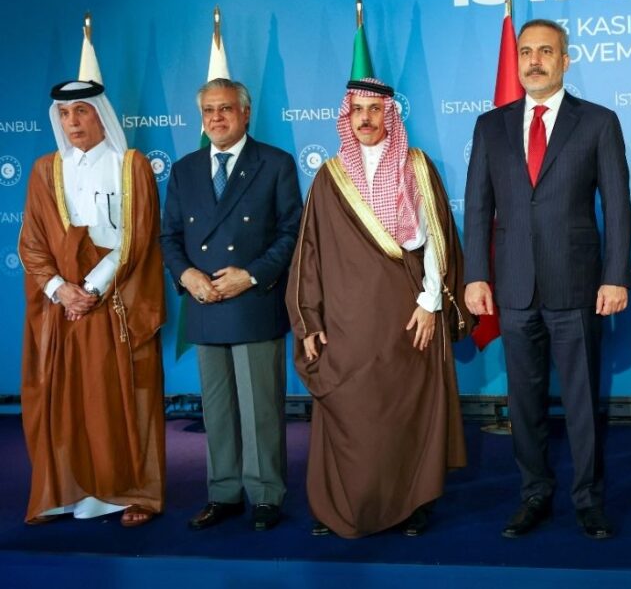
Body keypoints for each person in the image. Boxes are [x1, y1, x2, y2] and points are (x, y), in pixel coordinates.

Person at [464, 19, 631, 540]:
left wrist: (615, 276)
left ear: (565, 60)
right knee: (524, 401)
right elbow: (476, 207)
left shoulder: (599, 122)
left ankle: (588, 499)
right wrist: (476, 275)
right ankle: (534, 493)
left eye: (546, 52)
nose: (534, 60)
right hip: (512, 288)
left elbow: (619, 206)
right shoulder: (491, 126)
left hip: (577, 285)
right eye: (526, 52)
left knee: (581, 402)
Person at [287, 77, 470, 539]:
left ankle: (412, 503)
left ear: (389, 115)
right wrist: (308, 319)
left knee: (403, 411)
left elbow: (437, 239)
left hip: (406, 317)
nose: (365, 119)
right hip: (346, 323)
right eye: (357, 111)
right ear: (346, 118)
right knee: (351, 412)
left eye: (374, 110)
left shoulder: (416, 165)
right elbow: (309, 254)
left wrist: (430, 303)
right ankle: (341, 504)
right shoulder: (330, 177)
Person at [19, 80, 166, 527]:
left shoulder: (129, 165)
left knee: (119, 398)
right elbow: (31, 243)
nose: (73, 123)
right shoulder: (46, 169)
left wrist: (92, 288)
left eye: (81, 112)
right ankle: (65, 492)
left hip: (114, 299)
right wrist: (61, 290)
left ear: (101, 114)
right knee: (62, 399)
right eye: (64, 115)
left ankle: (128, 493)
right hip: (61, 307)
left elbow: (136, 236)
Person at [160, 78, 302, 532]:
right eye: (209, 111)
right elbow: (169, 236)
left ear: (245, 113)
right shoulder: (183, 170)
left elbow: (290, 233)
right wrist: (187, 276)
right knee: (217, 409)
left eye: (225, 109)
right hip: (204, 301)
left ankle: (265, 495)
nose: (217, 118)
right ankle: (223, 493)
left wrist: (252, 274)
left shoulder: (275, 164)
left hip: (253, 301)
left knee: (260, 408)